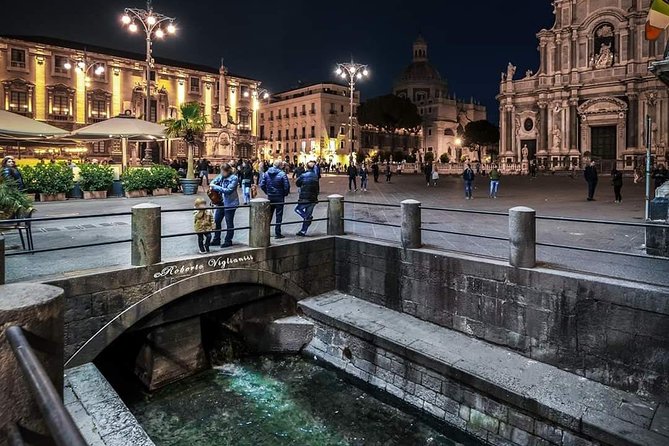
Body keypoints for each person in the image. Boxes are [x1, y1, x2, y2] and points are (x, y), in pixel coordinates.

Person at [210, 163, 239, 248]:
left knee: (229, 222)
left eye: (223, 172)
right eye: (221, 171)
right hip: (221, 202)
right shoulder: (221, 176)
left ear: (228, 171)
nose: (221, 173)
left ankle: (228, 240)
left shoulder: (234, 178)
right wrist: (213, 184)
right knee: (217, 220)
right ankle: (216, 239)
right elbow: (213, 182)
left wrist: (215, 187)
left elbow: (228, 190)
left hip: (230, 203)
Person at [260, 160, 290, 239]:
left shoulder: (266, 173)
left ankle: (265, 231)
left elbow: (262, 184)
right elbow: (287, 186)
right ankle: (278, 233)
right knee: (279, 215)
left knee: (269, 214)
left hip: (270, 196)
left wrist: (267, 192)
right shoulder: (282, 174)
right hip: (279, 196)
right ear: (280, 165)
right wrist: (284, 193)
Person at [295, 161, 319, 237]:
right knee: (309, 213)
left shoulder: (303, 175)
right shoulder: (315, 176)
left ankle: (306, 217)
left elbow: (297, 183)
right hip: (313, 198)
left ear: (307, 167)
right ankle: (303, 231)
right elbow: (317, 187)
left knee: (298, 209)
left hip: (304, 197)